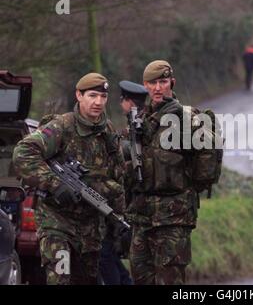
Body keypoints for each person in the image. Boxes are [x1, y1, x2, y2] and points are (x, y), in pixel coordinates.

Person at [12, 73, 125, 285]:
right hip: (57, 222)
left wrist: (119, 219)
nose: (98, 102)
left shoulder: (108, 131)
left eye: (103, 96)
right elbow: (23, 153)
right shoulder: (61, 127)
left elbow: (118, 178)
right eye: (92, 95)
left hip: (91, 227)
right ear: (79, 95)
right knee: (60, 279)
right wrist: (55, 184)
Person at [126, 60, 221, 285]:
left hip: (173, 218)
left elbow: (206, 169)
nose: (158, 88)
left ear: (172, 83)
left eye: (163, 82)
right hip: (141, 216)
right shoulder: (139, 119)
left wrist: (184, 186)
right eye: (152, 83)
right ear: (144, 85)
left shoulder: (187, 119)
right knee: (140, 278)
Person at [98, 80, 148, 285]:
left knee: (106, 253)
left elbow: (136, 161)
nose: (120, 104)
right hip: (126, 202)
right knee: (108, 253)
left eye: (122, 100)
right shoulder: (138, 122)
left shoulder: (140, 125)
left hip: (131, 203)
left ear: (128, 102)